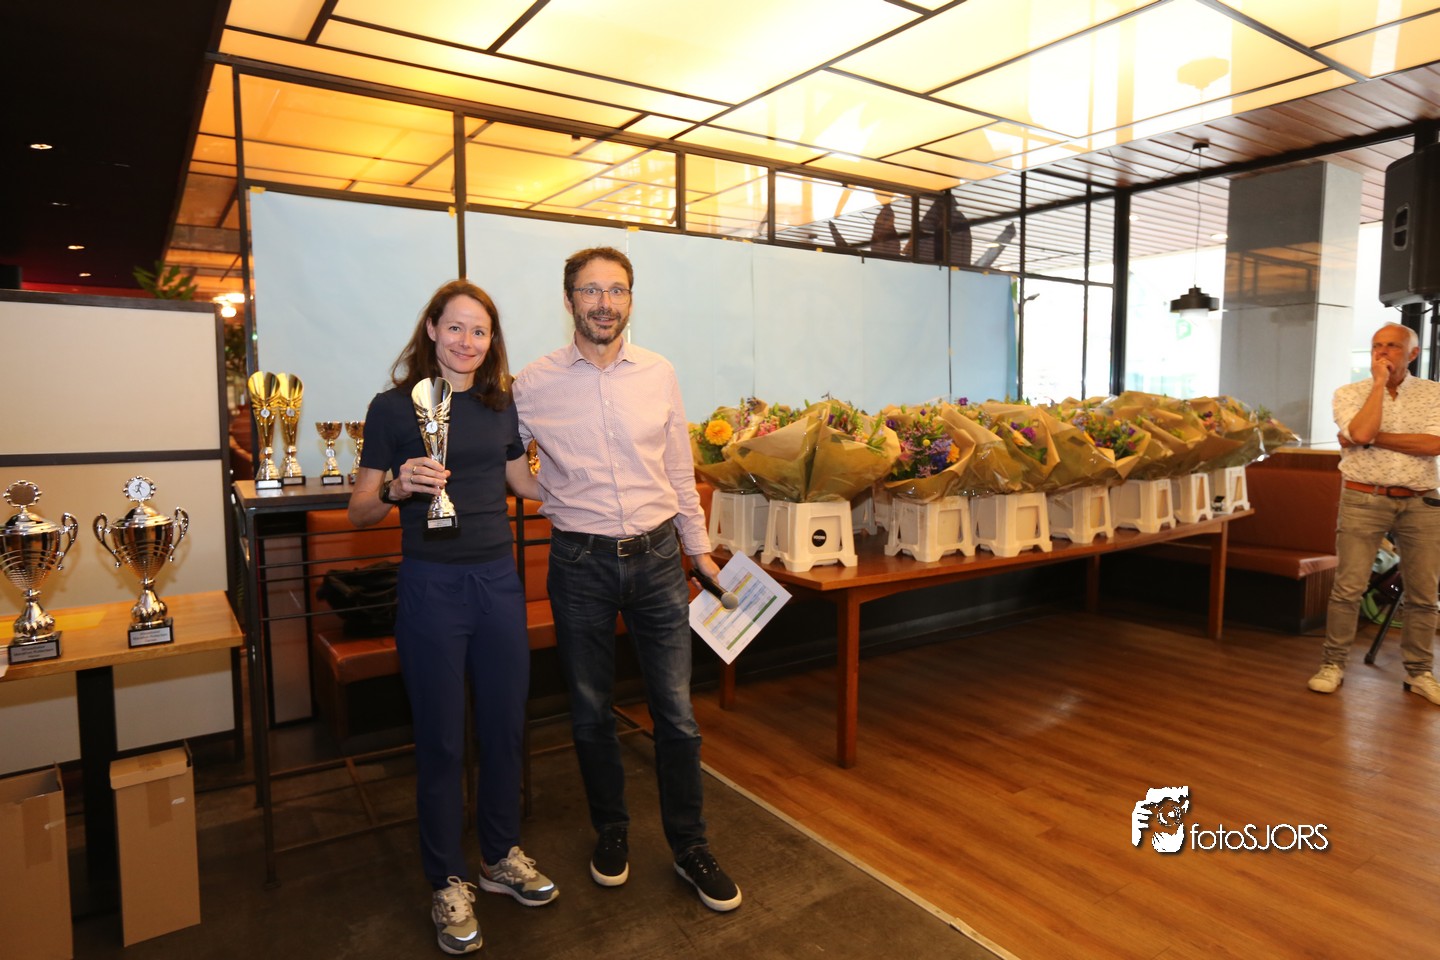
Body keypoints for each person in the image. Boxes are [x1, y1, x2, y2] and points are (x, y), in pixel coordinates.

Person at [507, 246, 741, 912]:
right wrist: (554, 495)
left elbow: (678, 473)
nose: (604, 303)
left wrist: (700, 553)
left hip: (659, 558)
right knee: (590, 712)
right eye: (590, 290)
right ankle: (611, 831)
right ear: (568, 300)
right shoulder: (533, 382)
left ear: (631, 300)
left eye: (617, 290)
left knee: (677, 715)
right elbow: (508, 464)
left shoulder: (659, 373)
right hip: (578, 563)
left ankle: (690, 845)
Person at [349, 280, 557, 956]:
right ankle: (445, 880)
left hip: (498, 582)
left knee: (504, 728)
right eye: (457, 327)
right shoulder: (391, 407)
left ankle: (499, 857)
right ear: (433, 329)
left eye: (481, 331)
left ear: (492, 342)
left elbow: (520, 482)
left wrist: (586, 482)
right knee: (441, 741)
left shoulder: (501, 404)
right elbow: (359, 510)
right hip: (431, 587)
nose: (469, 341)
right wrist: (395, 486)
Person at [1309, 322, 1440, 705]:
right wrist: (1378, 387)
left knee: (1424, 593)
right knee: (1348, 588)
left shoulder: (1434, 393)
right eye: (1377, 345)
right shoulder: (1349, 393)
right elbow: (1362, 432)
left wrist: (1365, 439)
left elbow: (1432, 444)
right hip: (1364, 498)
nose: (1382, 352)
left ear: (1412, 353)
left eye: (1393, 346)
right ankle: (1332, 665)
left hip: (1421, 501)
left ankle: (1419, 673)